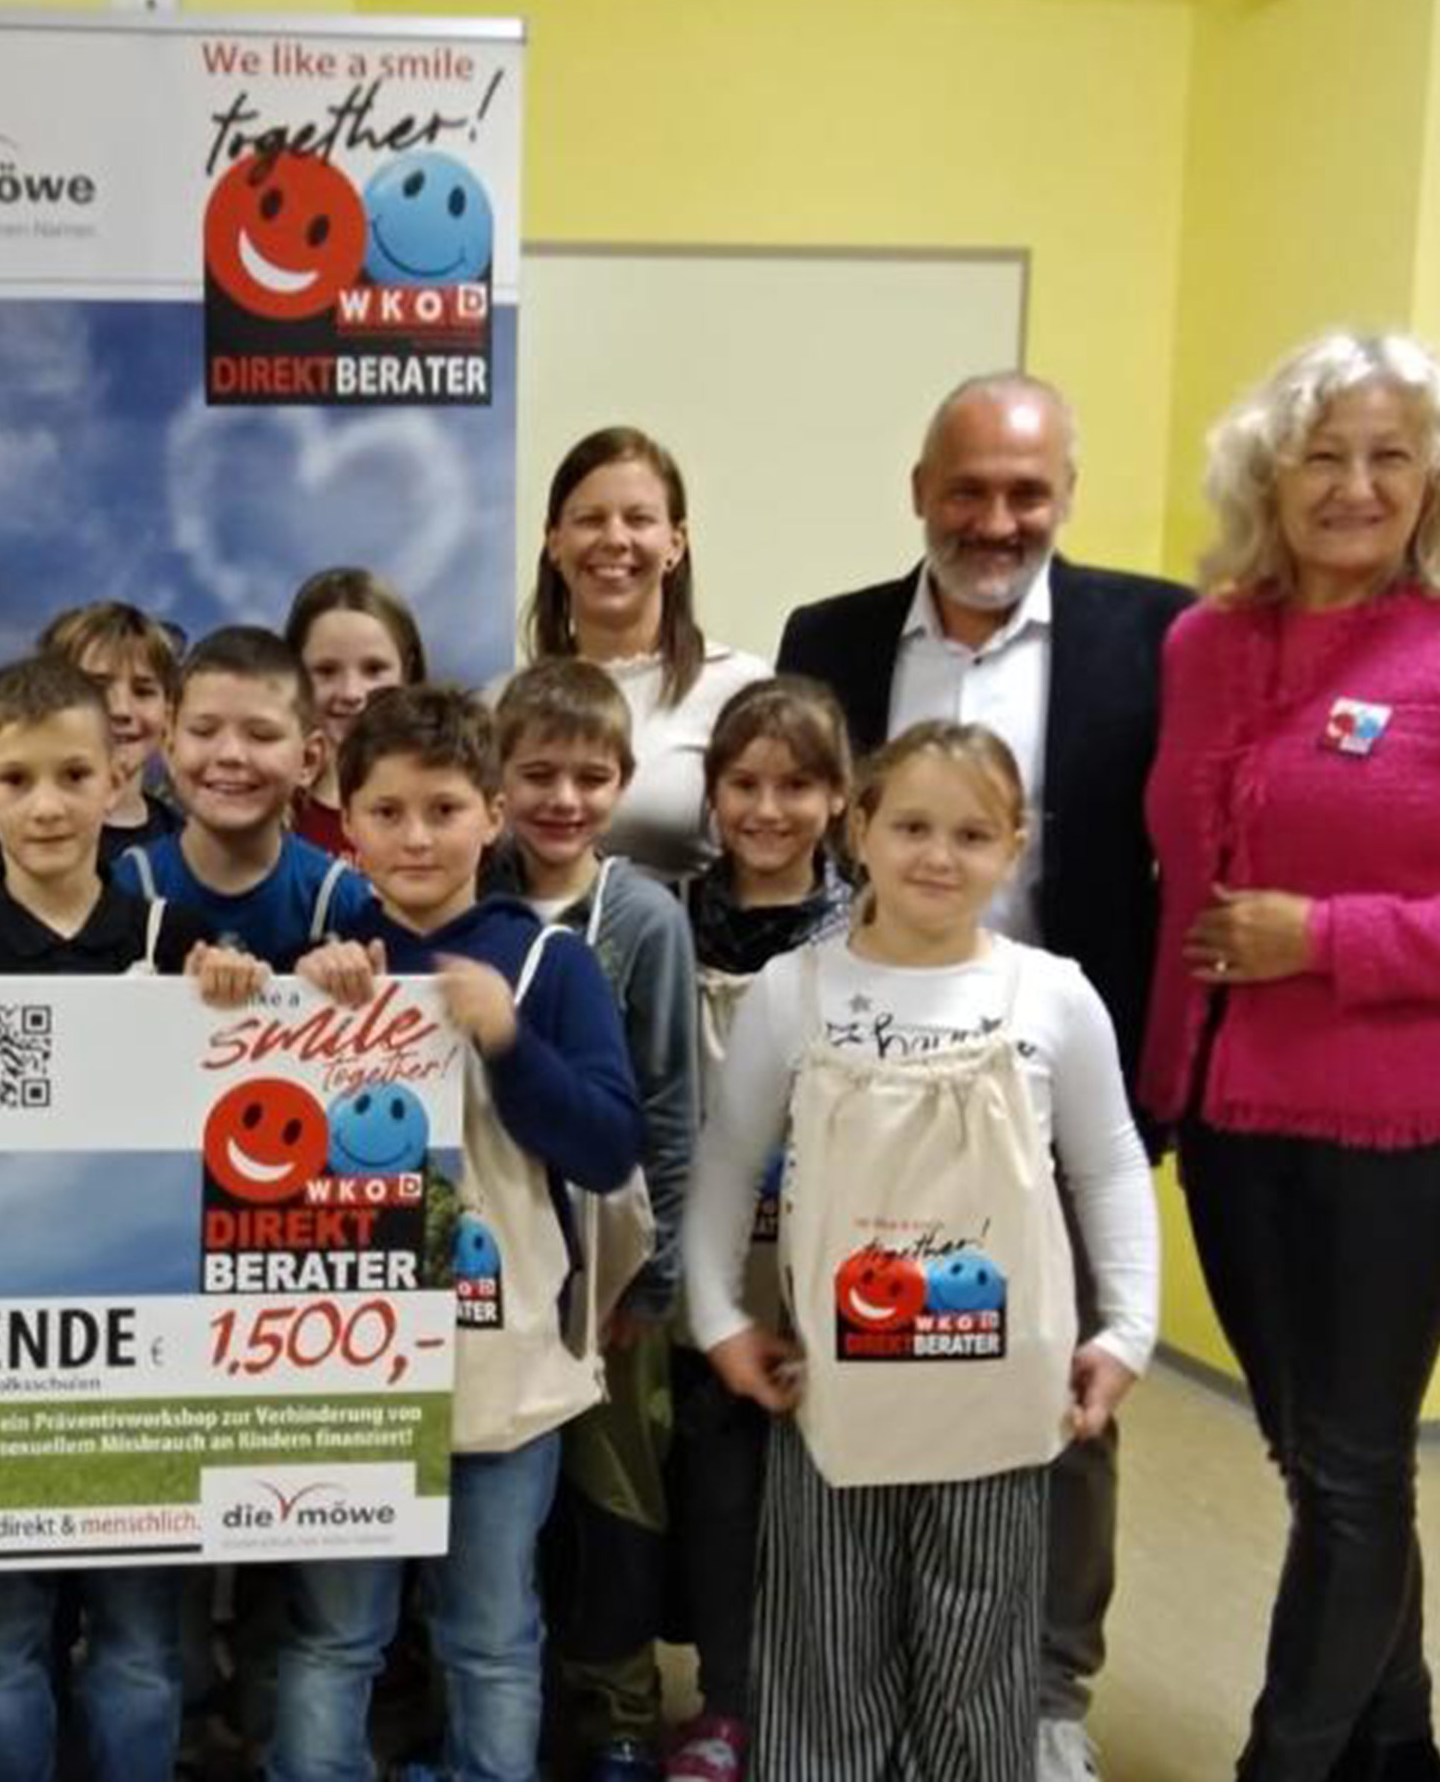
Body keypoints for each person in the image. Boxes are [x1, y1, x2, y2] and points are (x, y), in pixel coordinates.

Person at [1143, 331, 1440, 1782]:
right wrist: (1164, 1092)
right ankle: (1401, 1745)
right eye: (1323, 454)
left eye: (1390, 456)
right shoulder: (1207, 641)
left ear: (1439, 477)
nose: (1354, 486)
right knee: (1319, 1462)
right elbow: (1181, 879)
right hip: (1231, 1120)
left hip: (1410, 1132)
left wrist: (1333, 937)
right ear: (1269, 473)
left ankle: (1283, 1763)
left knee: (1352, 1468)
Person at [774, 374, 1190, 1782]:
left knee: (1058, 1399)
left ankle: (1046, 1690)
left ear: (1067, 493)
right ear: (919, 490)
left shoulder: (1155, 633)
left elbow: (1179, 863)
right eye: (969, 489)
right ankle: (882, 1685)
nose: (996, 518)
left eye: (1026, 492)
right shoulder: (825, 637)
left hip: (1051, 1076)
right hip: (875, 1072)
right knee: (881, 1363)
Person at [689, 723, 1158, 1782]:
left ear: (1013, 847)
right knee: (823, 1652)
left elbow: (1109, 1167)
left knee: (975, 1658)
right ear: (858, 828)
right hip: (833, 1395)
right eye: (908, 826)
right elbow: (725, 1163)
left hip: (997, 1396)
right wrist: (716, 1317)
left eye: (969, 834)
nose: (935, 857)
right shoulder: (793, 992)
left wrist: (1125, 1329)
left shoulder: (1052, 994)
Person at [0, 654, 269, 1782]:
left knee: (141, 1643)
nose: (46, 804)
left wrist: (248, 995)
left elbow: (252, 1107)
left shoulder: (178, 941)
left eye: (72, 774)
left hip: (144, 1358)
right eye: (17, 778)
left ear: (118, 778)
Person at [280, 684, 645, 1782]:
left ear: (492, 815)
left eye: (442, 808)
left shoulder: (547, 966)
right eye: (386, 812)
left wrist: (504, 1040)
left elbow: (607, 1148)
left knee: (488, 1634)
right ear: (346, 826)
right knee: (336, 1634)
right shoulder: (326, 964)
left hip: (500, 1362)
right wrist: (291, 1005)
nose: (416, 837)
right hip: (335, 1367)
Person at [480, 660, 694, 1782]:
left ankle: (615, 1707)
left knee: (613, 1495)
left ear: (622, 781)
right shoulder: (471, 904)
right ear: (496, 782)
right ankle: (476, 1694)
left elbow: (667, 1104)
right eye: (537, 774)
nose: (563, 798)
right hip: (488, 1258)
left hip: (606, 1269)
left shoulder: (644, 918)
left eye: (590, 776)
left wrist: (649, 1288)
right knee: (493, 1497)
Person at [661, 675, 855, 1782]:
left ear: (839, 798)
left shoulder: (869, 932)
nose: (767, 810)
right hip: (711, 1250)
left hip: (832, 1255)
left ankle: (824, 1703)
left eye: (797, 785)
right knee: (720, 1485)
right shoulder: (665, 916)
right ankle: (728, 1700)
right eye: (743, 783)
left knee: (830, 1488)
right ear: (712, 793)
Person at [504, 427, 770, 883]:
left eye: (638, 519)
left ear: (675, 543)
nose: (614, 538)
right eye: (590, 519)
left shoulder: (742, 690)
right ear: (554, 543)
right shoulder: (502, 703)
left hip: (691, 950)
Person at [117, 627, 374, 965]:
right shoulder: (124, 887)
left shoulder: (343, 900)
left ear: (309, 760)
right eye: (204, 731)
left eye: (261, 735)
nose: (230, 754)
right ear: (169, 745)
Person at [285, 567, 429, 859]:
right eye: (325, 671)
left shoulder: (454, 799)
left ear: (408, 669)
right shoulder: (269, 807)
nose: (351, 693)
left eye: (374, 669)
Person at [38, 600, 186, 868]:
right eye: (96, 688)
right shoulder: (10, 835)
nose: (121, 710)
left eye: (143, 691)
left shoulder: (185, 848)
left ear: (168, 711)